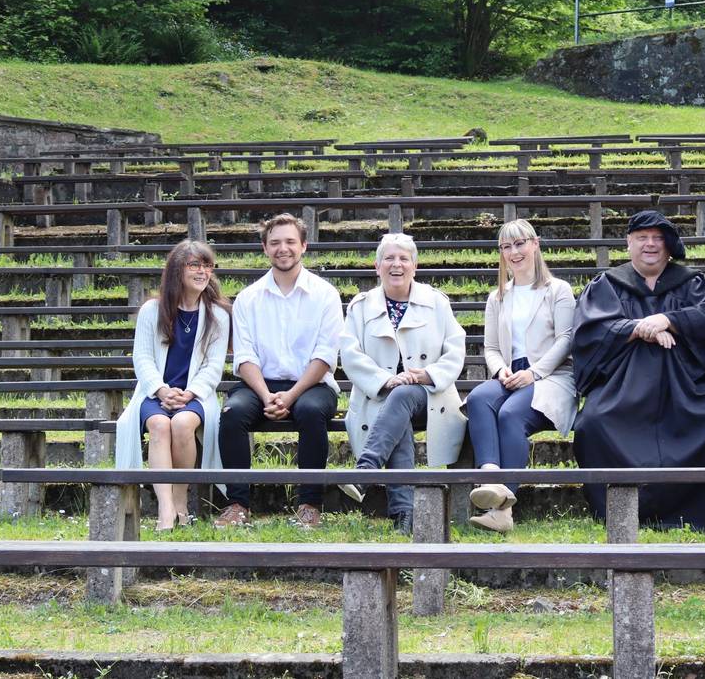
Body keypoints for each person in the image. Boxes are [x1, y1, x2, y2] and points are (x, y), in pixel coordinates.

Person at [572, 210, 705, 529]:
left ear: (668, 245)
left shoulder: (693, 284)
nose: (650, 245)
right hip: (623, 389)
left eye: (658, 238)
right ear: (628, 243)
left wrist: (670, 320)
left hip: (685, 388)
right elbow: (589, 334)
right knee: (591, 424)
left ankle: (700, 513)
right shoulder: (607, 285)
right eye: (642, 238)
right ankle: (620, 510)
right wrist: (638, 328)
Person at [215, 214, 344, 529]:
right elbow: (244, 357)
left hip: (311, 384)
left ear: (303, 246)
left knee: (312, 411)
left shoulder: (326, 294)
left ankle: (310, 504)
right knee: (231, 413)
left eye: (289, 242)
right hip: (259, 383)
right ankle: (237, 504)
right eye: (275, 243)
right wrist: (266, 395)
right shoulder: (248, 298)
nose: (282, 249)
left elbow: (325, 357)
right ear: (264, 248)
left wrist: (292, 395)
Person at [342, 233, 467, 535]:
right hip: (380, 396)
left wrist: (426, 375)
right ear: (377, 266)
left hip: (430, 396)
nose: (396, 264)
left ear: (415, 265)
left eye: (403, 258)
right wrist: (386, 380)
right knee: (398, 406)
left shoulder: (436, 302)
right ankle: (404, 516)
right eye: (389, 258)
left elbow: (456, 348)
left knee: (403, 397)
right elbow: (349, 354)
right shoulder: (361, 307)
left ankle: (366, 470)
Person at [466, 219, 576, 533]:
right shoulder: (498, 296)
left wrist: (533, 373)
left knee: (511, 414)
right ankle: (490, 478)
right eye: (506, 246)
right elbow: (490, 347)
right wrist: (500, 369)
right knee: (479, 398)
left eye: (520, 244)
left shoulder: (558, 290)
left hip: (551, 375)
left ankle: (502, 509)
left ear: (535, 244)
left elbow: (566, 340)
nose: (514, 252)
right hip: (510, 373)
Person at [115, 239, 231, 531]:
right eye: (195, 265)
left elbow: (213, 367)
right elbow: (141, 358)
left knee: (181, 424)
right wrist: (161, 390)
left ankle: (180, 503)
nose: (203, 271)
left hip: (197, 395)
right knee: (158, 425)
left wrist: (190, 393)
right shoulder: (152, 311)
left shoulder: (218, 314)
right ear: (177, 269)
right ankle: (165, 510)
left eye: (207, 266)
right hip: (155, 393)